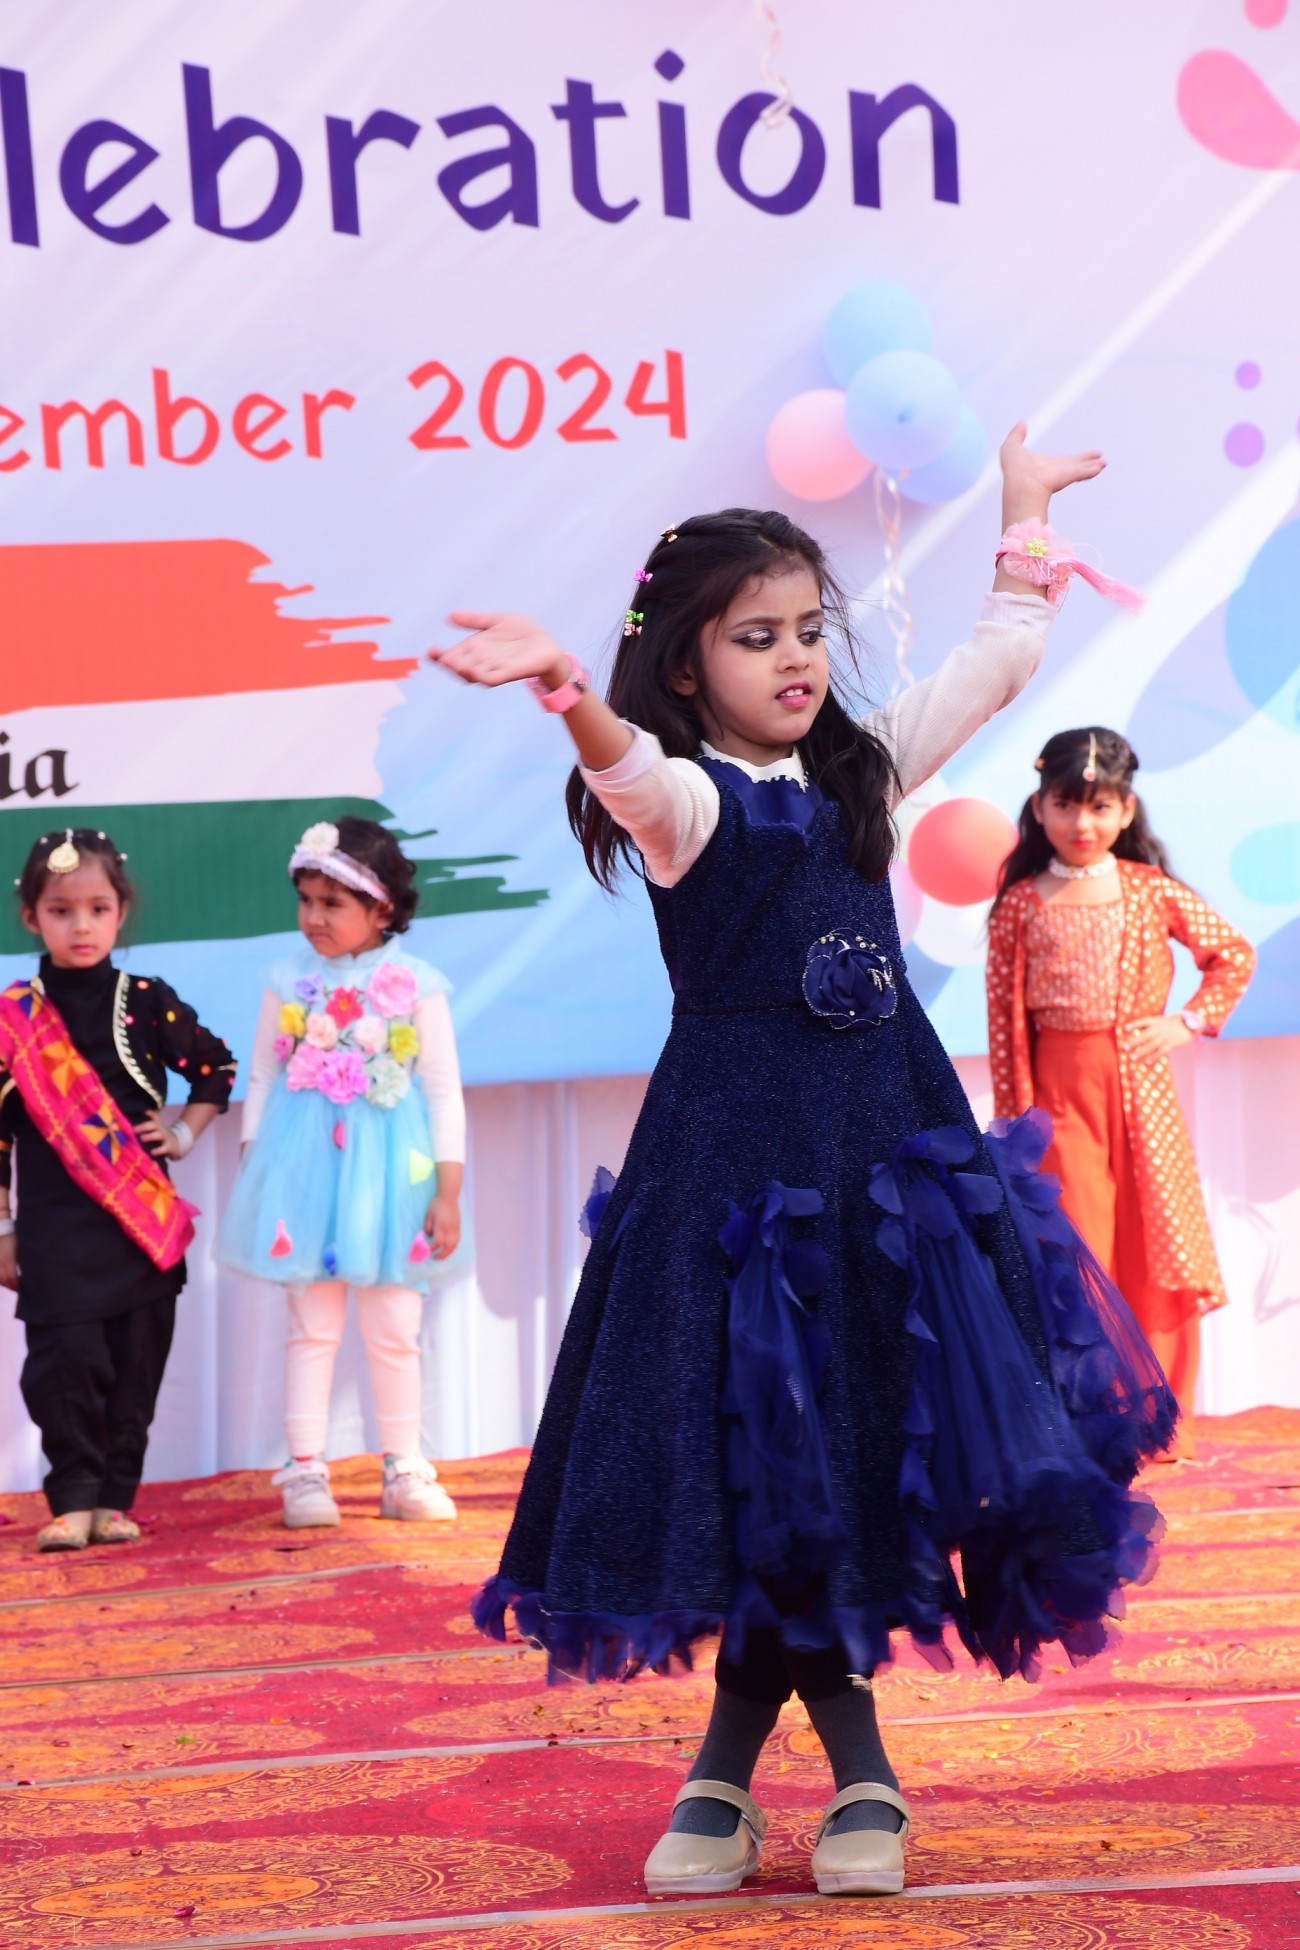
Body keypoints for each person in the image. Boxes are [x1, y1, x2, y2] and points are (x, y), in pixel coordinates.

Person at [429, 428, 1178, 1901]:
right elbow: (631, 776)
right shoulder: (690, 800)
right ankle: (850, 1774)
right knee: (781, 1455)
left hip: (885, 1166)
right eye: (753, 636)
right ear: (686, 661)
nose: (792, 658)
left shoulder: (860, 770)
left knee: (845, 1451)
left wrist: (1024, 516)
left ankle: (726, 1769)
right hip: (738, 1177)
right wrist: (568, 693)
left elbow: (999, 659)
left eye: (805, 630)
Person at [987, 727, 1255, 1461]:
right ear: (1039, 807)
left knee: (1154, 1240)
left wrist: (1186, 1021)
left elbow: (1233, 954)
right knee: (1078, 1247)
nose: (1083, 823)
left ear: (1127, 809)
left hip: (1142, 1090)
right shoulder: (1019, 904)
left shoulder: (1148, 890)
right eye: (1066, 804)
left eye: (1100, 806)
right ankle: (1091, 1421)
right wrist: (1016, 1129)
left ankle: (1159, 1418)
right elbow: (1005, 1023)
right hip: (1058, 1098)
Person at [216, 816, 466, 1529]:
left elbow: (442, 1091)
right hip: (306, 1175)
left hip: (393, 1181)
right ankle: (305, 1470)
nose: (314, 918)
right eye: (306, 901)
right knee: (312, 1325)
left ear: (382, 907)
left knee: (394, 1324)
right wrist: (257, 1167)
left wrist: (447, 1190)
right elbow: (262, 1077)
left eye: (333, 903)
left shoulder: (417, 985)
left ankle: (403, 1467)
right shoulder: (289, 981)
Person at [0, 828, 235, 1551]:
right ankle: (71, 1498)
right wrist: (2, 1228)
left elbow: (215, 1070)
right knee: (64, 1366)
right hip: (53, 1233)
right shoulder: (12, 1019)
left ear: (121, 912)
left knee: (135, 1367)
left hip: (139, 1225)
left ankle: (112, 1501)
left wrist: (184, 1134)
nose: (82, 926)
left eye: (98, 909)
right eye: (61, 910)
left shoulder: (146, 1001)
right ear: (31, 916)